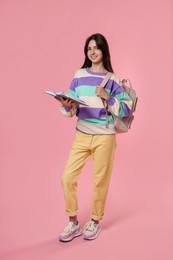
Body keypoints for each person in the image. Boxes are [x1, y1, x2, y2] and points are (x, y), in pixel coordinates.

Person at [56, 33, 132, 242]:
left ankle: (95, 221)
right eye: (89, 48)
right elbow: (71, 109)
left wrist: (108, 97)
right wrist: (66, 105)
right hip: (81, 134)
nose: (92, 52)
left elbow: (126, 110)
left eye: (96, 48)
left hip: (104, 137)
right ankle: (73, 222)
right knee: (67, 178)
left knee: (100, 181)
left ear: (104, 51)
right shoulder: (79, 75)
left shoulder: (113, 79)